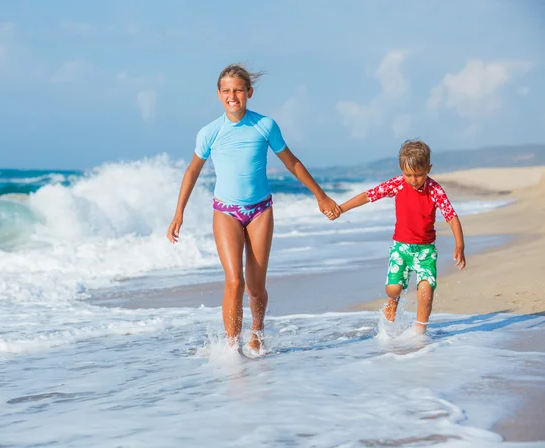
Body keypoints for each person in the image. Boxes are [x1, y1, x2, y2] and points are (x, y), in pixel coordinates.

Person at [166, 63, 341, 352]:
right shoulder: (209, 132)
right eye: (226, 91)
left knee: (255, 288)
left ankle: (257, 333)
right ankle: (232, 349)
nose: (232, 95)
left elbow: (292, 163)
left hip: (260, 211)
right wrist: (178, 213)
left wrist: (320, 196)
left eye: (237, 90)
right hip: (226, 211)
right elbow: (192, 170)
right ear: (218, 94)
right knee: (234, 281)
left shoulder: (265, 125)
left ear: (249, 92)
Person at [333, 139, 466, 333]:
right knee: (393, 289)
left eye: (419, 175)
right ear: (401, 169)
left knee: (425, 293)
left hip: (425, 251)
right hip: (400, 248)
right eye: (408, 174)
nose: (413, 180)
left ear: (428, 169)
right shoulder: (397, 184)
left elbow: (452, 217)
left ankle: (420, 332)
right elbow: (368, 196)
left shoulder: (435, 190)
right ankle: (393, 300)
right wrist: (341, 209)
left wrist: (459, 246)